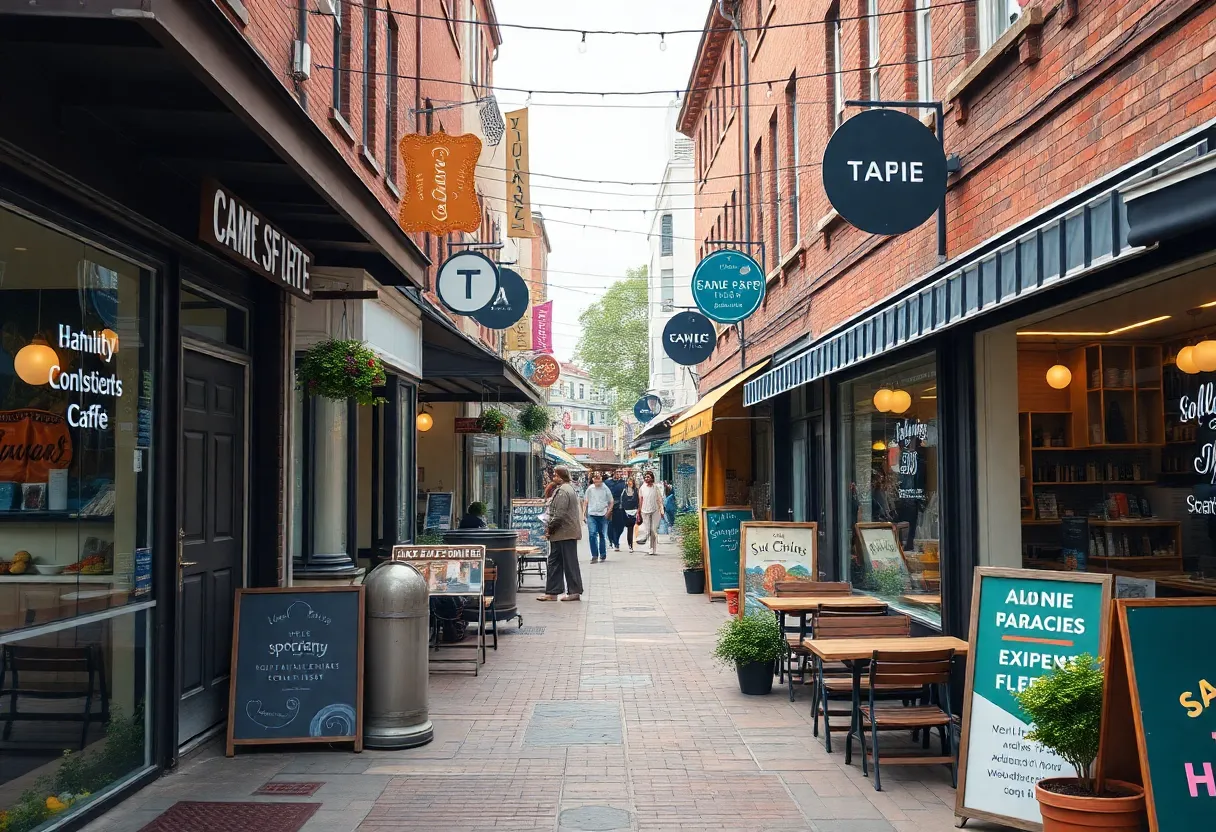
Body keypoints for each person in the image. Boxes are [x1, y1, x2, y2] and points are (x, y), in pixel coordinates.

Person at [538, 466, 584, 601]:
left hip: (564, 532)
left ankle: (574, 592)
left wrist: (550, 528)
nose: (553, 477)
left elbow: (559, 514)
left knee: (568, 562)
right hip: (562, 533)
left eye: (555, 475)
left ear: (560, 476)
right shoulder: (565, 489)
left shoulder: (564, 491)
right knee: (555, 561)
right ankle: (552, 592)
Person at [583, 472, 614, 563]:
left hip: (602, 515)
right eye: (595, 478)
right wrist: (583, 514)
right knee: (592, 534)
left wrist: (608, 512)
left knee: (602, 535)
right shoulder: (590, 489)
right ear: (593, 479)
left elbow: (611, 501)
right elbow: (586, 502)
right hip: (592, 514)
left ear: (601, 479)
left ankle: (603, 554)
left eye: (598, 478)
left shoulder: (605, 489)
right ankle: (594, 555)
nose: (597, 480)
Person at [637, 470, 661, 555]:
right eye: (645, 477)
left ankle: (652, 548)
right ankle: (646, 540)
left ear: (652, 478)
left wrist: (661, 510)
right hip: (644, 510)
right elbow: (640, 500)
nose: (646, 478)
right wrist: (639, 511)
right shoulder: (642, 488)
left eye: (648, 477)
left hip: (655, 510)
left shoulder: (655, 487)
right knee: (647, 529)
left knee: (653, 530)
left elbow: (659, 499)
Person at [605, 469, 627, 551]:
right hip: (609, 506)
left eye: (620, 472)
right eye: (617, 472)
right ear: (613, 473)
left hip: (620, 506)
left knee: (620, 525)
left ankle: (615, 539)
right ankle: (614, 541)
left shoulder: (623, 483)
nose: (619, 474)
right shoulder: (607, 482)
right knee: (611, 525)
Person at [617, 476, 639, 552]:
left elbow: (638, 501)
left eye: (631, 481)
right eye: (628, 481)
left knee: (631, 529)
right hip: (626, 512)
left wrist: (638, 510)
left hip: (634, 512)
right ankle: (618, 542)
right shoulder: (624, 491)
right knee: (626, 528)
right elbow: (621, 501)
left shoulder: (636, 490)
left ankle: (630, 546)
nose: (630, 483)